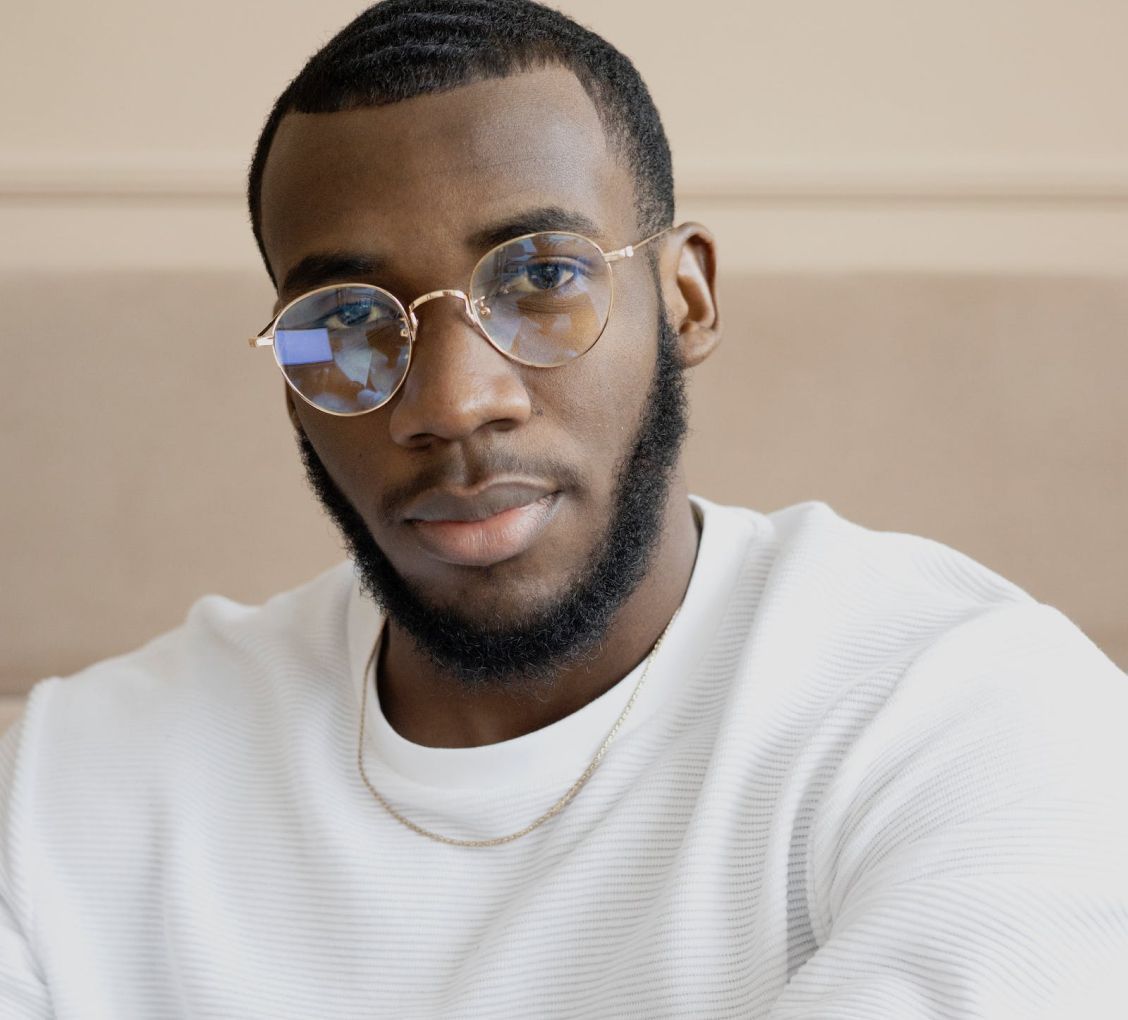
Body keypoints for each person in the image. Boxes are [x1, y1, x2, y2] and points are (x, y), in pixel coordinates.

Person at [2, 1, 1126, 1016]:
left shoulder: (966, 709)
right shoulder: (68, 786)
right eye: (346, 320)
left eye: (541, 277)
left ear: (685, 299)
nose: (452, 403)